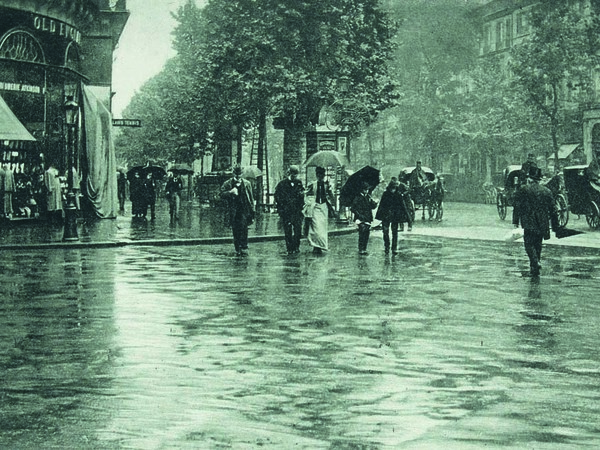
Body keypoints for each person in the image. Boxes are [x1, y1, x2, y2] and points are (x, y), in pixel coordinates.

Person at [512, 167, 560, 277]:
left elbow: (517, 206)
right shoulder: (547, 191)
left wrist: (515, 221)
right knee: (538, 244)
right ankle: (535, 266)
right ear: (539, 179)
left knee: (528, 243)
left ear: (530, 179)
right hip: (542, 222)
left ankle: (534, 262)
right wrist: (555, 225)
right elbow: (553, 209)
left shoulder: (524, 190)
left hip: (528, 220)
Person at [220, 165, 255, 256]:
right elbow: (221, 194)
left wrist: (252, 210)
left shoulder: (247, 183)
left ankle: (244, 245)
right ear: (233, 173)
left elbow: (250, 198)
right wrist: (230, 192)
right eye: (236, 174)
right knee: (235, 228)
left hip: (244, 209)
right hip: (233, 209)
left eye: (240, 174)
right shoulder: (228, 183)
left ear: (242, 174)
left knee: (244, 227)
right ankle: (237, 247)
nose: (238, 176)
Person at [375, 178, 412, 254]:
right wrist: (380, 216)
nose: (393, 190)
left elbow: (403, 206)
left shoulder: (398, 195)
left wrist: (409, 219)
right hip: (386, 216)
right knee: (385, 232)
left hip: (395, 216)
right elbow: (381, 206)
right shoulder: (385, 194)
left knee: (394, 232)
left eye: (394, 188)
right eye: (392, 188)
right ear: (390, 187)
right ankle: (387, 246)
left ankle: (394, 248)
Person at [274, 165, 305, 254]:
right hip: (286, 211)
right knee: (288, 231)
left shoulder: (299, 183)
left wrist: (301, 201)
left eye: (296, 175)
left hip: (296, 211)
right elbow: (277, 197)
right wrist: (281, 209)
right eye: (293, 174)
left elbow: (301, 195)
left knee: (298, 230)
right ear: (289, 173)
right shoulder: (282, 184)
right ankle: (289, 248)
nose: (294, 176)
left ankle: (296, 246)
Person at [304, 166, 334, 254]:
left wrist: (329, 189)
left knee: (322, 228)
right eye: (319, 175)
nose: (321, 177)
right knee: (316, 227)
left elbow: (331, 198)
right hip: (315, 207)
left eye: (322, 175)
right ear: (317, 175)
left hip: (324, 208)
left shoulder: (326, 185)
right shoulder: (312, 184)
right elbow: (307, 195)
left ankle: (321, 245)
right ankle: (315, 245)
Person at [351, 181, 378, 255]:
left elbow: (372, 207)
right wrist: (359, 215)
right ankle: (361, 249)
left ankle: (364, 248)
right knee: (362, 233)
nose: (367, 191)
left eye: (367, 189)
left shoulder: (368, 197)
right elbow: (353, 208)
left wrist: (375, 203)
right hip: (360, 218)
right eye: (365, 189)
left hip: (368, 218)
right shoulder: (358, 198)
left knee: (367, 233)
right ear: (362, 190)